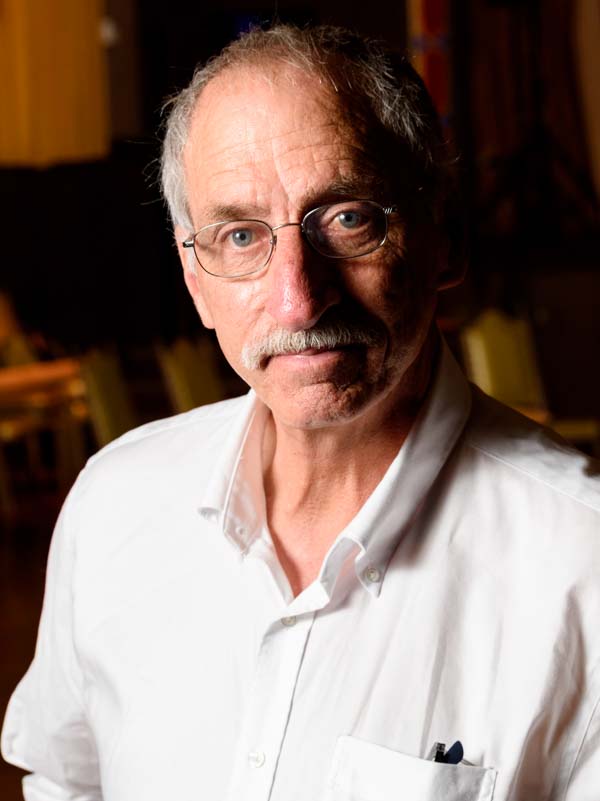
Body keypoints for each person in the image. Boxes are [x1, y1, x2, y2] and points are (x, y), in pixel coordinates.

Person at [2, 24, 600, 801]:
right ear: (194, 277)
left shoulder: (580, 561)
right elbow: (64, 781)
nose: (298, 298)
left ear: (445, 240)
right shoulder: (113, 503)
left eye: (348, 218)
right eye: (240, 235)